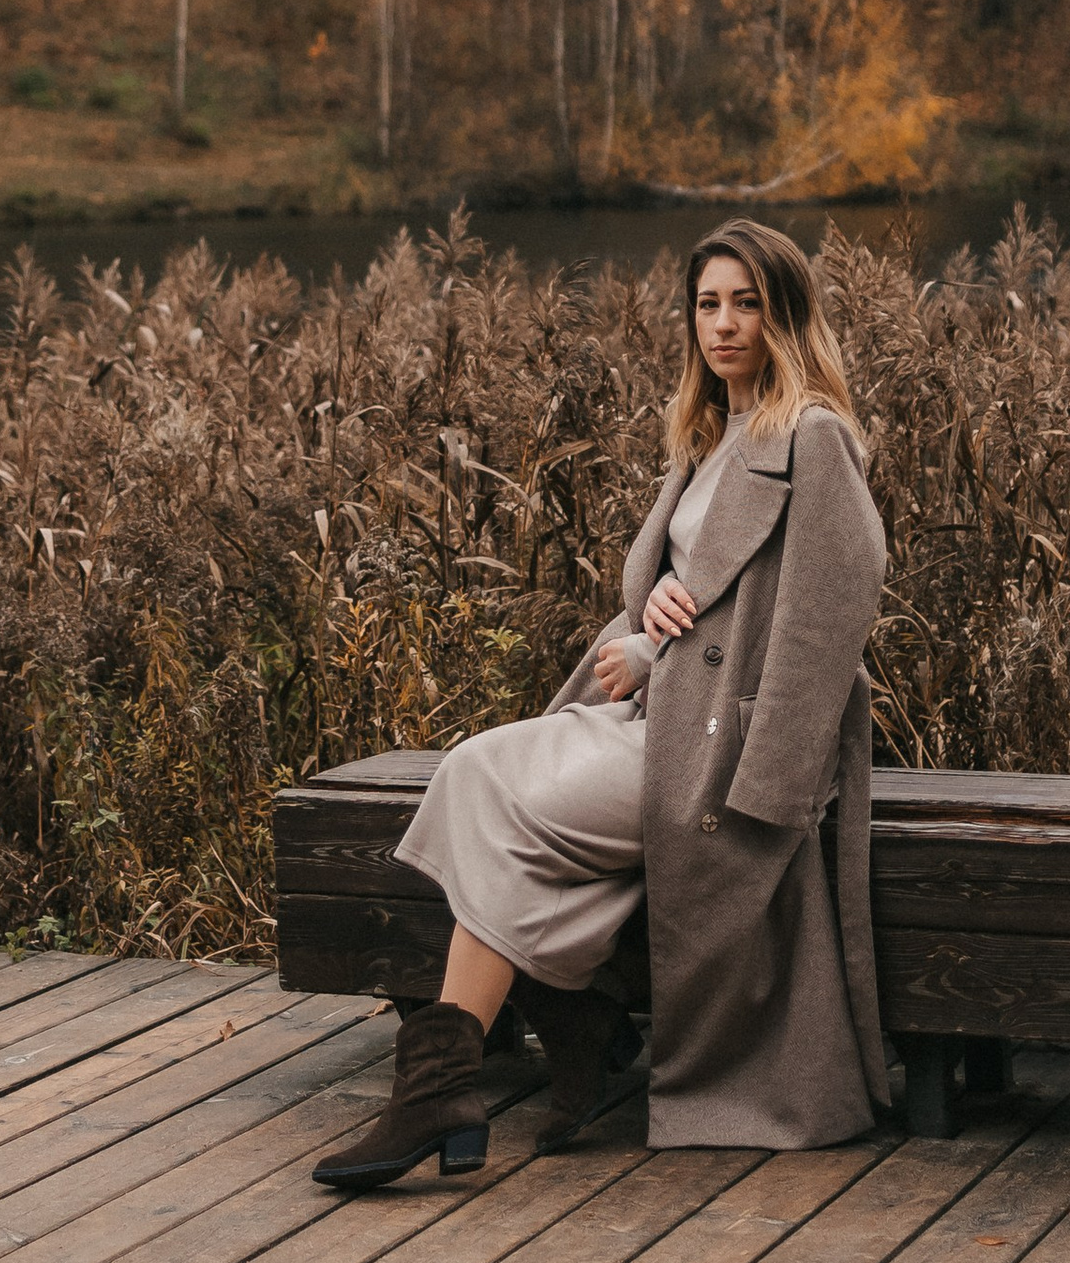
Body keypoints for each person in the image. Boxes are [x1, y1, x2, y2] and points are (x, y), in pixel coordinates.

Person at [311, 219, 890, 1192]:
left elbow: (828, 618)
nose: (724, 323)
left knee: (500, 804)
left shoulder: (813, 438)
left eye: (747, 302)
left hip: (722, 753)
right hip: (655, 718)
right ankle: (485, 1060)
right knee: (470, 770)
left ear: (785, 314)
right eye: (707, 303)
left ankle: (483, 1059)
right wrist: (644, 633)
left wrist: (770, 786)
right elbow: (690, 605)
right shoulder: (706, 443)